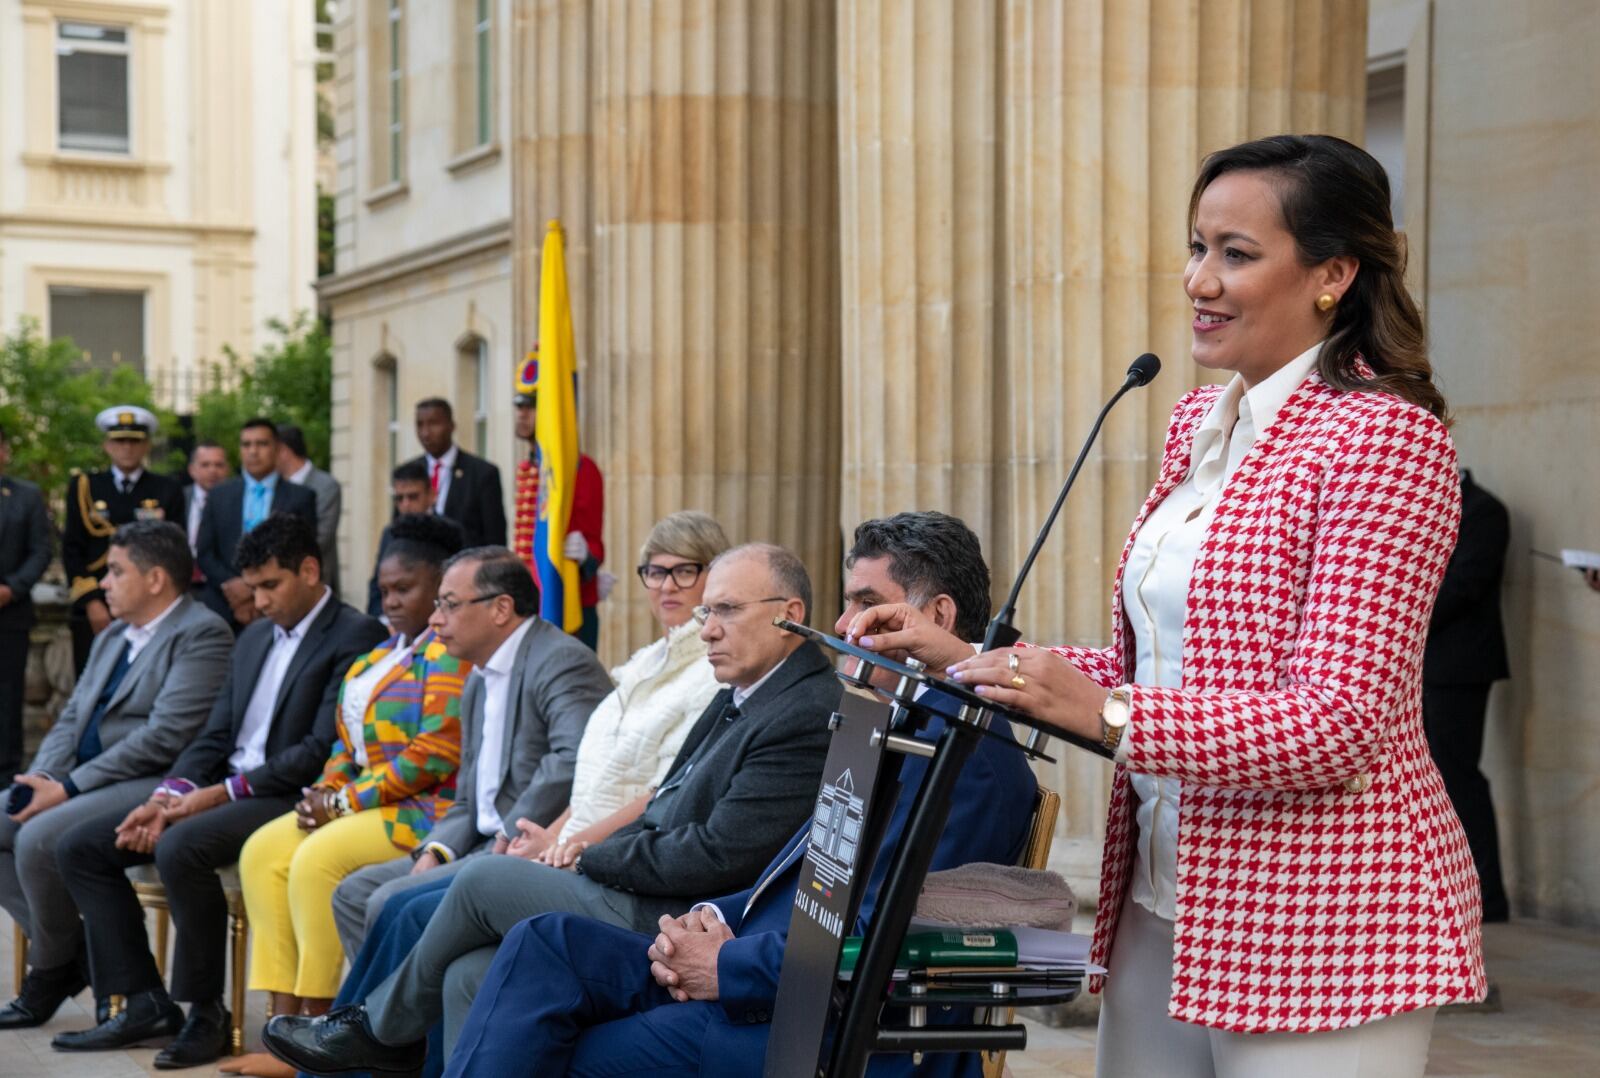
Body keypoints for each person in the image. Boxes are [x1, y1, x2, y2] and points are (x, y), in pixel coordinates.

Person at [849, 135, 1485, 1075]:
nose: (1200, 280)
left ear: (1334, 273)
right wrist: (971, 660)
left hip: (1324, 913)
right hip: (1162, 894)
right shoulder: (1198, 424)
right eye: (1197, 247)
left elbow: (1340, 723)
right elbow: (1156, 671)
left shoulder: (1385, 440)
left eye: (1237, 253)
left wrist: (1107, 714)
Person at [271, 513, 1038, 1078]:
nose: (843, 626)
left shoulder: (967, 757)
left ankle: (374, 1040)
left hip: (804, 1023)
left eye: (866, 604)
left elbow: (890, 941)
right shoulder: (895, 722)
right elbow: (799, 873)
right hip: (744, 951)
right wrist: (714, 921)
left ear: (937, 618)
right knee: (533, 948)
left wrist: (726, 961)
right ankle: (373, 1044)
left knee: (548, 1027)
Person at [262, 543, 840, 1071]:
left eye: (727, 610)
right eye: (706, 611)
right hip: (639, 879)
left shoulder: (804, 708)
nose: (707, 628)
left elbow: (718, 857)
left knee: (483, 879)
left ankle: (380, 1033)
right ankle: (383, 1037)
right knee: (467, 972)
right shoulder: (747, 688)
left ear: (789, 613)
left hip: (674, 914)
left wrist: (588, 855)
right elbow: (664, 801)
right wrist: (580, 847)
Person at [50, 513, 386, 1066]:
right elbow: (214, 735)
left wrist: (215, 795)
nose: (259, 600)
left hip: (290, 793)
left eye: (271, 585)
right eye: (252, 588)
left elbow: (317, 749)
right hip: (229, 787)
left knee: (181, 846)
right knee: (82, 846)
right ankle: (142, 1000)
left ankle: (206, 1012)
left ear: (309, 570)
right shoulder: (252, 636)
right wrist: (166, 797)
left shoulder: (355, 634)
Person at [235, 513, 468, 1039]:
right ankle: (279, 1021)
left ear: (440, 587)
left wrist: (341, 804)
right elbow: (347, 743)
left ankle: (319, 1027)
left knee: (316, 860)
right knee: (262, 852)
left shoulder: (447, 654)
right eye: (384, 591)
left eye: (405, 588)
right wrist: (325, 789)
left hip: (423, 809)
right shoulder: (379, 655)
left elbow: (434, 753)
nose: (391, 602)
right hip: (366, 801)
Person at [0, 520, 231, 1029]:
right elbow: (70, 718)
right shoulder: (112, 637)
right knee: (3, 817)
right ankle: (76, 957)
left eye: (116, 571)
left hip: (155, 782)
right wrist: (43, 777)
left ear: (155, 579)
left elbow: (165, 736)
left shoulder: (202, 633)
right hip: (86, 777)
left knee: (36, 837)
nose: (103, 583)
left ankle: (50, 971)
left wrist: (67, 788)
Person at [331, 546, 613, 957]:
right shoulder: (477, 678)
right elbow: (467, 797)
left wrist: (507, 832)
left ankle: (396, 1000)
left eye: (449, 604)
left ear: (501, 608)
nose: (435, 619)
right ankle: (393, 999)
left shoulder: (561, 660)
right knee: (352, 894)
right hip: (475, 844)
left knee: (387, 901)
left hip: (524, 847)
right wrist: (436, 850)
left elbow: (572, 759)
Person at [1424, 469, 1511, 924]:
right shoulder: (1423, 509)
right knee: (1432, 779)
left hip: (1459, 667)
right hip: (1420, 665)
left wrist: (1399, 614)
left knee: (1458, 777)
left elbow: (1463, 587)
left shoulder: (1484, 510)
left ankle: (1487, 896)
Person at [61, 405, 187, 674]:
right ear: (107, 445)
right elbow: (72, 548)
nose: (127, 448)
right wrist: (92, 602)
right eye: (119, 441)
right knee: (92, 681)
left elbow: (174, 552)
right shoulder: (85, 487)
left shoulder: (167, 488)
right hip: (96, 604)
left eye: (134, 441)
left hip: (150, 606)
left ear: (146, 445)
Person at [511, 353, 606, 648]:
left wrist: (586, 556)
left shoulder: (581, 468)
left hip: (565, 599)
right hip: (527, 599)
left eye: (532, 406)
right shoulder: (528, 467)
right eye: (520, 406)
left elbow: (593, 543)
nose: (522, 414)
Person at [196, 418, 318, 630]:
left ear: (277, 449)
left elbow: (303, 553)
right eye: (246, 444)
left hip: (280, 609)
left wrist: (257, 588)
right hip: (223, 606)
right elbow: (205, 552)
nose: (253, 451)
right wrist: (233, 586)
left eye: (262, 444)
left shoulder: (301, 497)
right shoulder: (219, 495)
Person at [0, 424, 55, 778]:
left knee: (7, 701)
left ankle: (6, 778)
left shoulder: (27, 496)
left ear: (4, 452)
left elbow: (41, 550)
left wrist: (12, 588)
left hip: (10, 615)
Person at [368, 461, 462, 619]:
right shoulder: (389, 533)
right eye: (399, 498)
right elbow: (377, 585)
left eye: (413, 497)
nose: (406, 505)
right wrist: (383, 621)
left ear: (432, 495)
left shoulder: (449, 531)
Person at [407, 398, 505, 548]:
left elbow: (495, 539)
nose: (425, 433)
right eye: (420, 425)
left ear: (451, 426)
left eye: (433, 424)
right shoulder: (409, 473)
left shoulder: (482, 473)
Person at [278, 424, 343, 596]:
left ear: (283, 451)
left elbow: (323, 537)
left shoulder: (326, 486)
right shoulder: (274, 486)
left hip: (314, 582)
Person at [185, 441, 230, 564]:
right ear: (191, 470)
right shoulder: (180, 498)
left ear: (227, 469)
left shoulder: (237, 500)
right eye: (205, 465)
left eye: (219, 465)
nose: (212, 470)